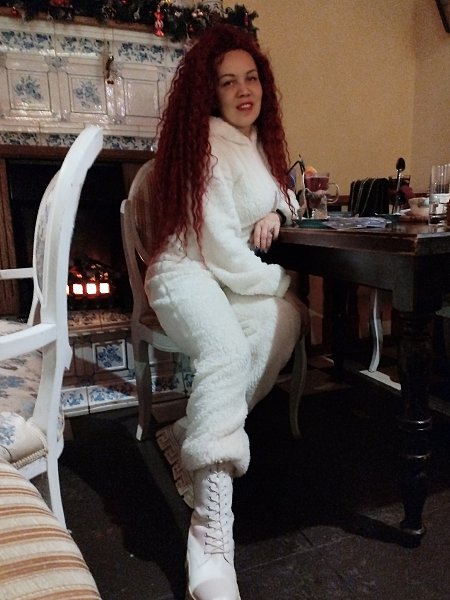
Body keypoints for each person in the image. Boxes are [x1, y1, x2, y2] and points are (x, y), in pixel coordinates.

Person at [144, 23, 308, 600]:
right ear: (209, 94)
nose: (244, 90)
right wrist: (279, 276)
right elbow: (216, 247)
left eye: (252, 78)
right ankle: (210, 535)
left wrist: (278, 215)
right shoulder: (209, 143)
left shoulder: (257, 143)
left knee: (285, 317)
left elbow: (286, 194)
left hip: (223, 278)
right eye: (228, 82)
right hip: (184, 272)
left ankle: (186, 433)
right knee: (229, 348)